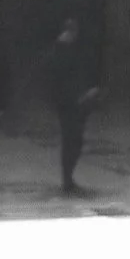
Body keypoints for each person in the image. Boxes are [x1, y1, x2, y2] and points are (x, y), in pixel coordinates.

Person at [47, 16, 99, 193]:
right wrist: (81, 95)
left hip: (70, 102)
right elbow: (66, 80)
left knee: (72, 140)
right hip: (70, 102)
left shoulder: (61, 50)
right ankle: (67, 178)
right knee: (72, 140)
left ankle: (67, 177)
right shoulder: (63, 52)